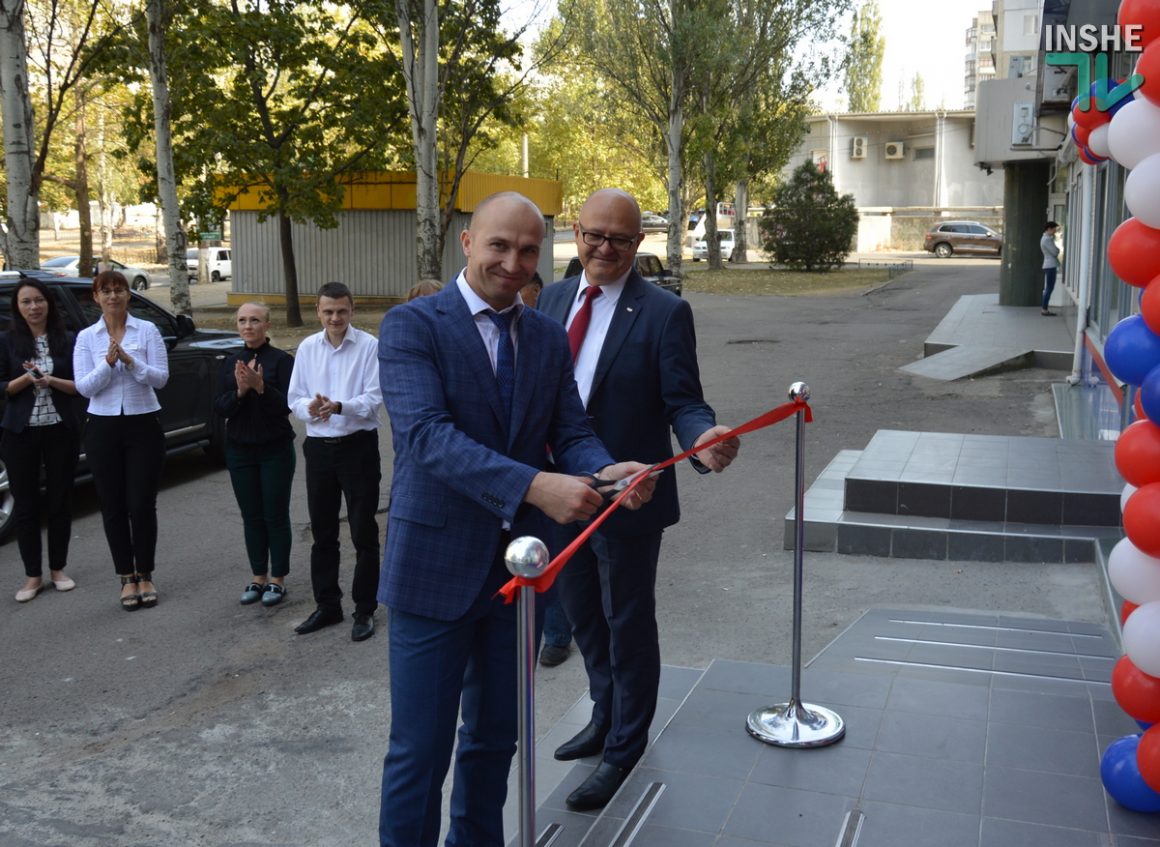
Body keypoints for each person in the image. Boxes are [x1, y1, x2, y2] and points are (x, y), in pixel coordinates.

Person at [376, 191, 657, 847]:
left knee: (495, 737)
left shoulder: (543, 336)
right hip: (433, 571)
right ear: (468, 241)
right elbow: (427, 438)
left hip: (518, 579)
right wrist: (536, 485)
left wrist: (609, 470)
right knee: (419, 750)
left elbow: (571, 431)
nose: (512, 262)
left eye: (528, 250)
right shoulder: (412, 326)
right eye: (499, 245)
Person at [537, 188, 740, 810]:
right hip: (562, 494)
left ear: (639, 243)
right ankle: (604, 714)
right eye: (594, 236)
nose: (604, 249)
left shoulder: (663, 312)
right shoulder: (549, 298)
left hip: (631, 494)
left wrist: (702, 435)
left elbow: (682, 397)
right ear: (575, 231)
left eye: (619, 240)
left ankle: (626, 747)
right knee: (582, 617)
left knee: (626, 622)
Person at [287, 281, 382, 641]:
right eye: (328, 312)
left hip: (357, 446)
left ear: (352, 310)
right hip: (320, 447)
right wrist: (309, 409)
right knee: (323, 532)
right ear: (318, 312)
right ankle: (327, 605)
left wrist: (340, 406)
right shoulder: (308, 347)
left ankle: (365, 609)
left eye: (341, 311)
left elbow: (375, 397)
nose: (335, 317)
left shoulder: (370, 346)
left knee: (363, 531)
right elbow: (294, 398)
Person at [73, 270, 169, 611]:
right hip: (103, 426)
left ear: (128, 295)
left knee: (141, 503)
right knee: (112, 505)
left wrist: (131, 362)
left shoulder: (148, 330)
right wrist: (108, 364)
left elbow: (160, 379)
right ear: (96, 298)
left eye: (119, 290)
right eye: (106, 291)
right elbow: (84, 387)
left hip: (143, 422)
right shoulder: (87, 337)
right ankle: (126, 577)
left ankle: (145, 572)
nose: (113, 296)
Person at [1, 278, 82, 603]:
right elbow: (2, 387)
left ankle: (58, 569)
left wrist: (51, 380)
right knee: (26, 504)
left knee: (60, 501)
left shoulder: (69, 340)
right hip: (20, 433)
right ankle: (33, 575)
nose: (34, 307)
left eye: (39, 300)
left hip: (60, 429)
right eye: (26, 302)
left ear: (49, 303)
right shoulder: (7, 341)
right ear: (18, 308)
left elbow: (80, 384)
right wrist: (26, 379)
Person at [214, 303, 296, 607]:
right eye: (243, 321)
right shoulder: (230, 362)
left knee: (275, 515)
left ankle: (278, 579)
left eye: (255, 320)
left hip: (274, 449)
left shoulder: (282, 361)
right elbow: (220, 407)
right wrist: (239, 392)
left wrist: (262, 387)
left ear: (267, 324)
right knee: (252, 517)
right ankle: (258, 576)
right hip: (239, 450)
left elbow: (288, 407)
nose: (248, 326)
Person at [1040, 221, 1060, 316]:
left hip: (1049, 265)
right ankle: (1044, 309)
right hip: (1050, 265)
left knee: (1048, 288)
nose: (1055, 231)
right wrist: (1058, 249)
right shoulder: (1047, 240)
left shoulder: (1047, 238)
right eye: (1054, 229)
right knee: (1049, 288)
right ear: (1049, 229)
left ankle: (1044, 309)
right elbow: (1055, 252)